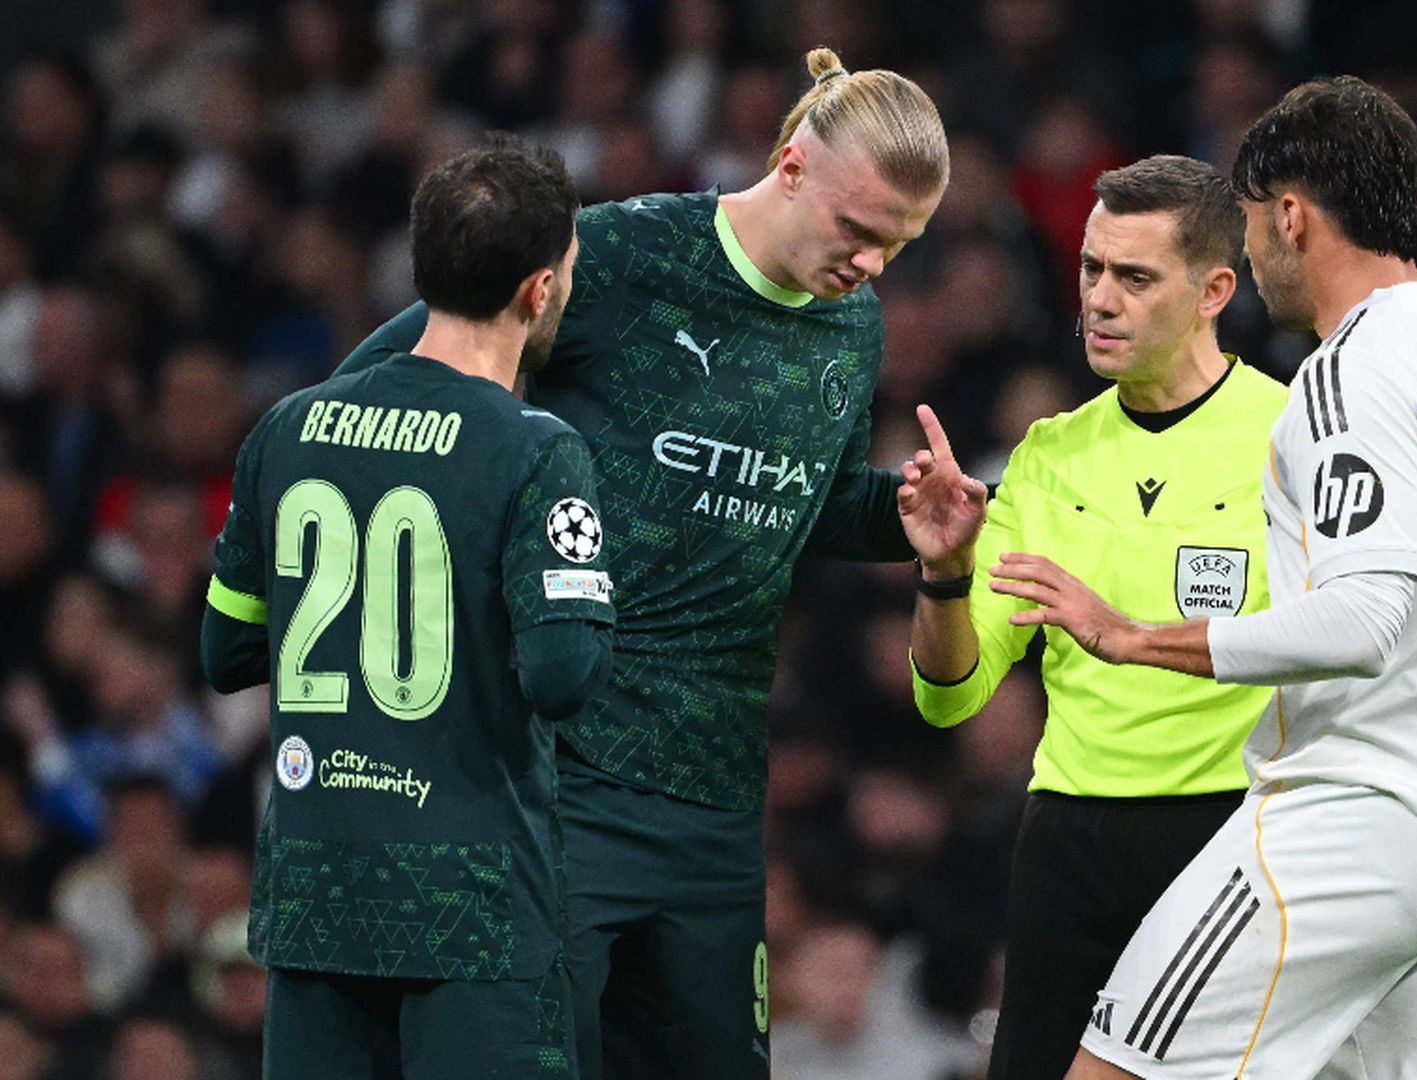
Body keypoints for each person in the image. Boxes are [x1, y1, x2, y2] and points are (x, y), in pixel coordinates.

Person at [333, 47, 961, 1078]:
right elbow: (380, 386)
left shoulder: (851, 323)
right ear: (793, 165)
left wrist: (905, 517)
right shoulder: (619, 257)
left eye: (900, 244)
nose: (874, 265)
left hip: (716, 806)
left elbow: (804, 499)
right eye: (860, 231)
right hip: (559, 780)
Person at [991, 77, 1417, 1078]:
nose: (1247, 248)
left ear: (1290, 214)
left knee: (1106, 1068)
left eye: (1247, 221)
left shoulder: (1347, 370)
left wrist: (1132, 637)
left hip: (1355, 830)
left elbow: (1362, 618)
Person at [200, 137, 614, 1078]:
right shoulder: (535, 450)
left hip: (315, 896)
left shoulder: (287, 427)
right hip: (469, 904)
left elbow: (225, 651)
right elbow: (562, 678)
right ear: (539, 289)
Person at [898, 154, 1287, 1079]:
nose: (1100, 300)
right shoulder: (1048, 456)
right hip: (1068, 837)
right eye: (1090, 269)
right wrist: (945, 574)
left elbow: (1343, 643)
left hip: (1230, 838)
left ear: (1214, 291)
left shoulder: (1292, 440)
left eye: (1136, 277)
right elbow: (950, 697)